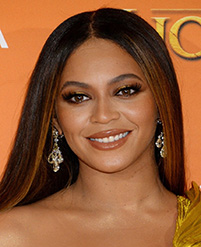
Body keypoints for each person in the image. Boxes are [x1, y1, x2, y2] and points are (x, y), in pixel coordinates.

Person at [0, 8, 200, 247]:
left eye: (125, 91)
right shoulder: (12, 235)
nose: (103, 116)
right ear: (54, 119)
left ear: (160, 102)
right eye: (78, 97)